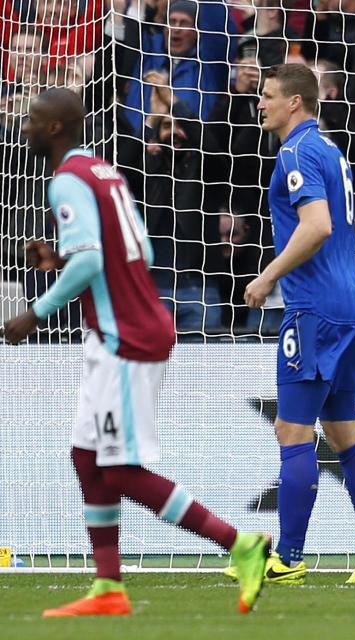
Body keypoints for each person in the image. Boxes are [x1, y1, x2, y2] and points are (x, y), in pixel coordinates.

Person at [2, 88, 269, 616]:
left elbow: (93, 261)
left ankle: (240, 544)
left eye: (32, 120)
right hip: (123, 329)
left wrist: (36, 311)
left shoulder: (67, 182)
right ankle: (108, 588)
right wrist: (62, 258)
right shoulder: (102, 173)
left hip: (126, 337)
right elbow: (138, 249)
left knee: (120, 468)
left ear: (55, 128)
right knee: (86, 457)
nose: (24, 126)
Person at [244, 63, 355, 585]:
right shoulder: (330, 149)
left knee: (292, 430)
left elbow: (317, 225)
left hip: (312, 309)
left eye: (267, 96)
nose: (259, 103)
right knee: (344, 428)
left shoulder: (295, 152)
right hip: (349, 304)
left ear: (295, 103)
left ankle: (286, 558)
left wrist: (267, 278)